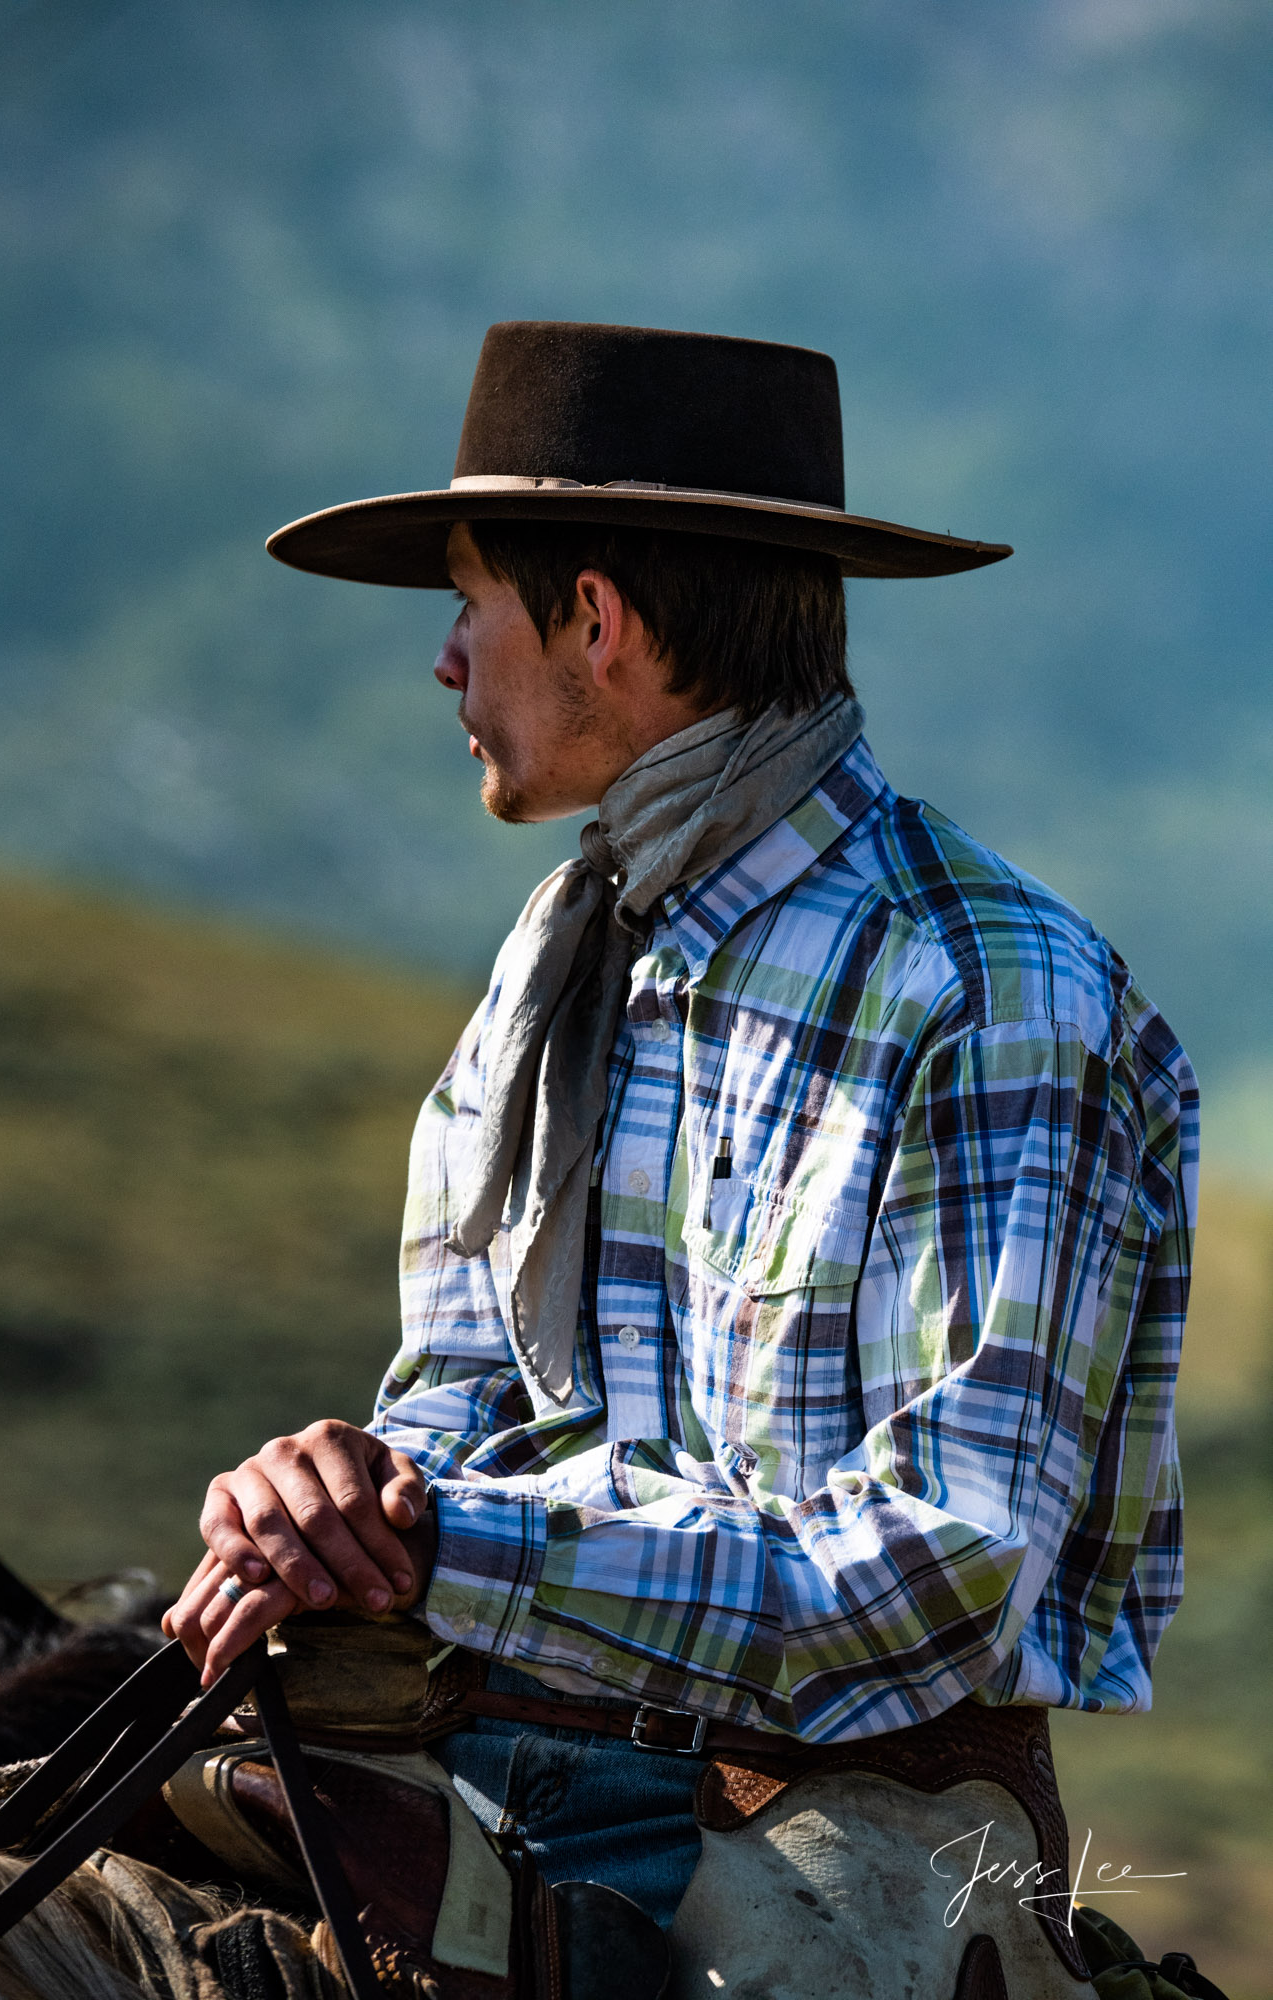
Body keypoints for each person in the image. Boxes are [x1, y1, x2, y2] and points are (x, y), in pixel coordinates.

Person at [164, 323, 1197, 1991]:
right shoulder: (553, 960)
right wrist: (349, 1495)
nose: (445, 663)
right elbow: (459, 1384)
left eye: (466, 601)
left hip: (861, 1838)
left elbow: (952, 1572)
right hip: (512, 1752)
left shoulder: (989, 992)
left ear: (592, 619)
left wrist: (450, 1550)